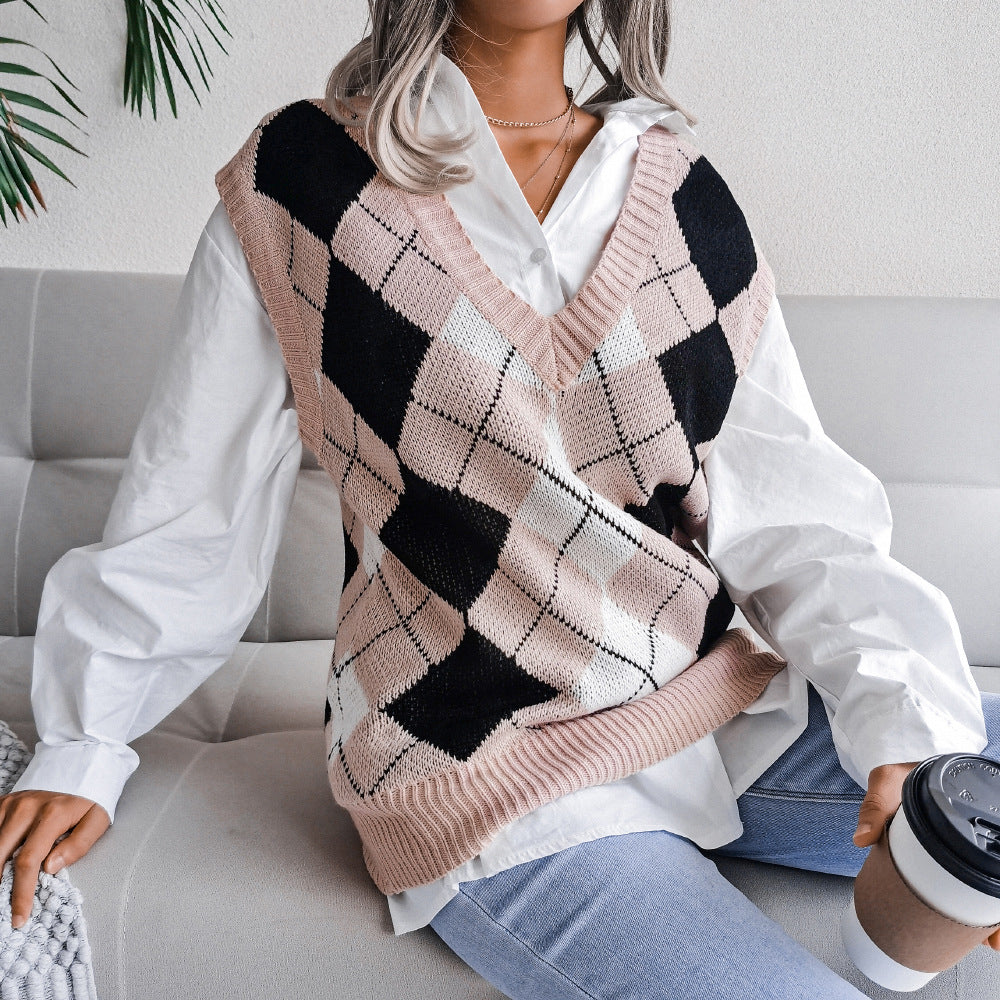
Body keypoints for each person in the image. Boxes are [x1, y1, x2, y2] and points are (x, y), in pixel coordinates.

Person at [1, 2, 998, 997]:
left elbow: (797, 524)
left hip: (712, 712)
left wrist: (908, 730)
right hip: (479, 767)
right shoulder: (302, 182)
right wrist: (84, 741)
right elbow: (191, 508)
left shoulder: (684, 196)